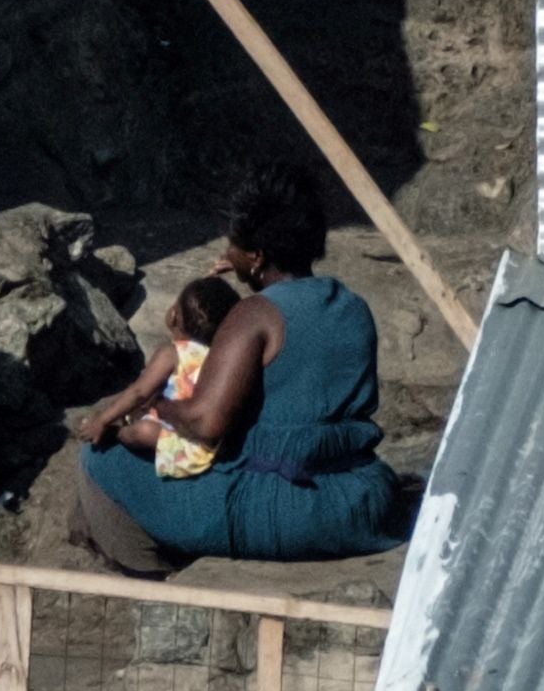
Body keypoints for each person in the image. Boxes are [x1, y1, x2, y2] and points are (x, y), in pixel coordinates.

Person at [47, 178, 400, 574]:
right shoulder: (351, 305)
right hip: (359, 497)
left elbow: (205, 422)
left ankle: (149, 573)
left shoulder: (254, 315)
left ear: (256, 256)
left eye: (232, 244)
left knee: (101, 457)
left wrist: (157, 405)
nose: (225, 251)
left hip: (286, 509)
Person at [125, 279, 243, 481]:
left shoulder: (171, 353)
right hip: (203, 449)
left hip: (177, 435)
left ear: (173, 316)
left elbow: (139, 392)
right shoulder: (218, 359)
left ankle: (116, 434)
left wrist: (104, 418)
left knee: (139, 426)